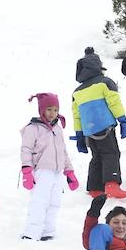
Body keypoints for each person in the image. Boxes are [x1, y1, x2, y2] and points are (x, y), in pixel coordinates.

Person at [71, 47, 126, 199]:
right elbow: (114, 102)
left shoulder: (77, 92)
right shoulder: (105, 83)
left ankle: (95, 188)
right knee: (111, 153)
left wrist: (79, 135)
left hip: (88, 132)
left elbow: (76, 116)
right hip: (105, 128)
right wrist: (122, 119)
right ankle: (112, 184)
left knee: (96, 157)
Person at [19, 93, 79, 241]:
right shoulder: (33, 128)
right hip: (42, 171)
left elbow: (63, 151)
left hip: (57, 173)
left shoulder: (58, 129)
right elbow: (26, 149)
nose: (53, 113)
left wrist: (69, 172)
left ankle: (47, 231)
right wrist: (27, 171)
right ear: (42, 110)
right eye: (49, 109)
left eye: (55, 110)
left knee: (54, 203)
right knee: (39, 202)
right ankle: (32, 232)